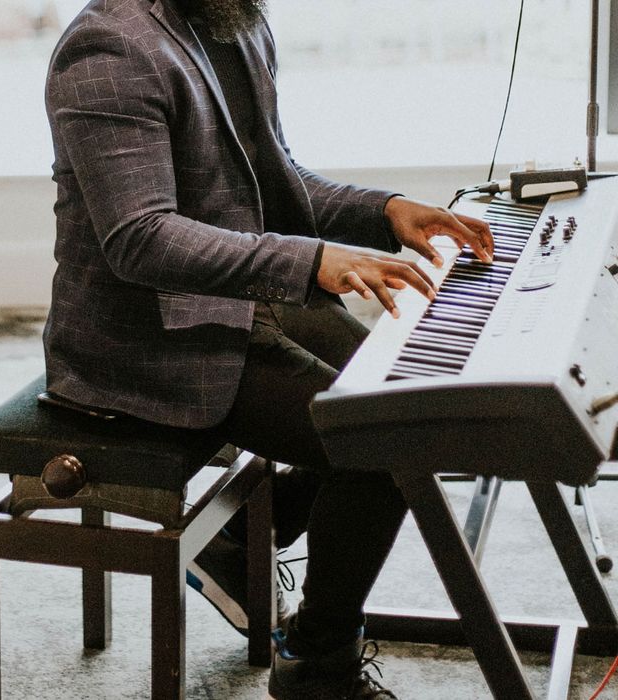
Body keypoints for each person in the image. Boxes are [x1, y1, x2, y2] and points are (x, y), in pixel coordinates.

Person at [43, 1, 494, 697]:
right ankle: (319, 664)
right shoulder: (108, 50)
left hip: (241, 302)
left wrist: (383, 211)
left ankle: (244, 543)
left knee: (406, 399)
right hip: (142, 341)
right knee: (385, 441)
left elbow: (270, 179)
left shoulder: (234, 23)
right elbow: (140, 237)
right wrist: (311, 261)